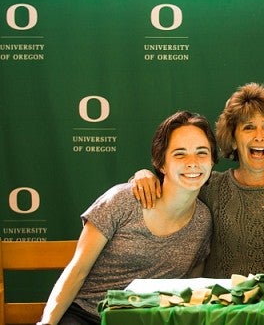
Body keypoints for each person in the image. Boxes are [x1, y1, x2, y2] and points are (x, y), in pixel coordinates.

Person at [131, 83, 264, 278]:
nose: (259, 136)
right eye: (248, 127)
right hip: (224, 312)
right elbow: (168, 184)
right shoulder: (209, 186)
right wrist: (142, 174)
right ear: (232, 137)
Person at [40, 111, 215, 325]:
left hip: (145, 320)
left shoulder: (203, 220)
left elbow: (189, 287)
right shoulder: (123, 200)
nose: (193, 162)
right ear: (161, 164)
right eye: (180, 154)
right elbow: (77, 270)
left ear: (212, 161)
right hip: (87, 315)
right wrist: (46, 323)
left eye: (202, 152)